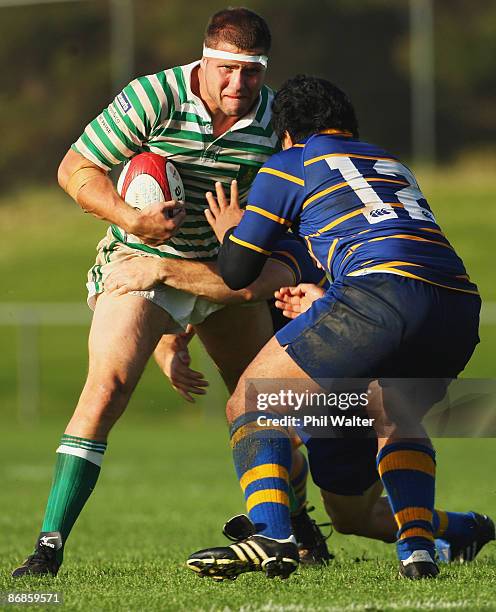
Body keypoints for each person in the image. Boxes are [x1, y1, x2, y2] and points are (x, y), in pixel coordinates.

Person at [11, 8, 327, 578]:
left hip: (223, 271)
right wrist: (132, 220)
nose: (237, 85)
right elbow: (75, 169)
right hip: (142, 260)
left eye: (250, 73)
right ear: (204, 61)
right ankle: (48, 547)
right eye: (225, 70)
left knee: (262, 404)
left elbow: (294, 210)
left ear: (265, 70)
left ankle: (296, 523)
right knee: (106, 388)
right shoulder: (153, 96)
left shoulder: (276, 120)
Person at [186, 75, 487, 581]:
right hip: (456, 307)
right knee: (378, 445)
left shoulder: (293, 160)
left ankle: (273, 534)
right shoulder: (392, 163)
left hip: (379, 298)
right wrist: (329, 298)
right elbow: (386, 239)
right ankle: (424, 544)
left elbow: (238, 273)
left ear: (286, 134)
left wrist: (229, 232)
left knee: (251, 401)